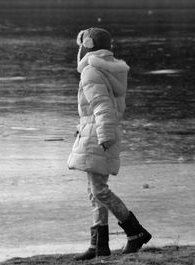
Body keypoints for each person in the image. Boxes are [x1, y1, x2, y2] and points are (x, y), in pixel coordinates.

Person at [67, 27, 152, 260]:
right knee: (94, 190)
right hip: (97, 130)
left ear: (88, 46)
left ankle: (135, 232)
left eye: (82, 45)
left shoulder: (91, 72)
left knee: (99, 190)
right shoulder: (108, 70)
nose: (80, 48)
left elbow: (103, 107)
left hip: (98, 132)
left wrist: (104, 135)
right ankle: (99, 245)